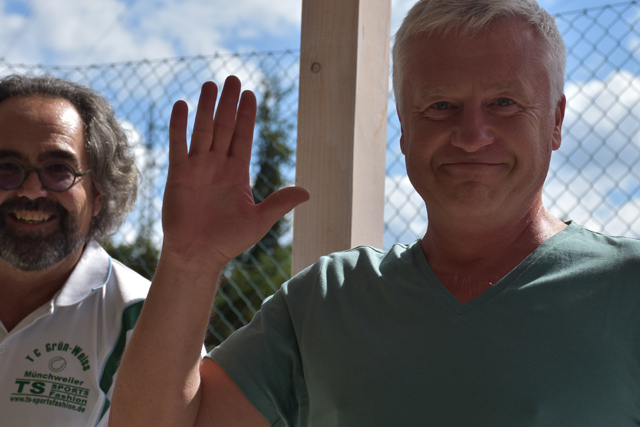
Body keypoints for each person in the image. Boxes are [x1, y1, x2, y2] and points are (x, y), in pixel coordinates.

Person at [110, 0, 640, 425]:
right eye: (440, 106)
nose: (471, 135)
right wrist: (190, 260)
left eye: (504, 103)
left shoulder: (627, 287)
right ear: (404, 130)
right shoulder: (327, 302)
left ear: (556, 120)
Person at [0, 74, 150, 427]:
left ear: (98, 194)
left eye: (59, 169)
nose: (31, 190)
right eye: (6, 167)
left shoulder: (144, 318)